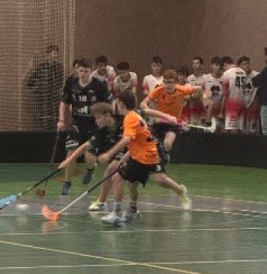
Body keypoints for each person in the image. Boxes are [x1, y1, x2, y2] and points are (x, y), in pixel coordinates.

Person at [97, 89, 191, 224]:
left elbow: (127, 139)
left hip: (149, 155)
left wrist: (108, 154)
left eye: (117, 102)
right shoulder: (132, 115)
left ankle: (117, 214)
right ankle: (133, 210)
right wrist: (127, 155)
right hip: (142, 154)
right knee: (131, 183)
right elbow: (139, 139)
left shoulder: (130, 118)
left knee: (124, 179)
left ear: (121, 103)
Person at [56, 103, 123, 215]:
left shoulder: (122, 121)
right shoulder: (102, 131)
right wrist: (68, 161)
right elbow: (85, 146)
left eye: (98, 118)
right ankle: (104, 203)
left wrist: (109, 154)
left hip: (140, 150)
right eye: (95, 118)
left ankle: (117, 211)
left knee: (115, 174)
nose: (96, 121)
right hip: (127, 153)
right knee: (113, 173)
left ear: (107, 115)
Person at [56, 59, 111, 194]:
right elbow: (64, 102)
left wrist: (106, 119)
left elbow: (110, 103)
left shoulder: (99, 86)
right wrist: (61, 120)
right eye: (81, 71)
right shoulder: (71, 84)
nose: (83, 74)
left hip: (94, 125)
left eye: (86, 71)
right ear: (77, 70)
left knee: (88, 156)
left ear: (91, 71)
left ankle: (91, 170)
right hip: (76, 124)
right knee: (71, 152)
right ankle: (67, 183)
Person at [140, 67, 199, 159]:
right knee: (148, 144)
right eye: (166, 82)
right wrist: (152, 114)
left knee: (167, 144)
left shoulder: (182, 90)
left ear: (175, 82)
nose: (168, 85)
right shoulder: (158, 90)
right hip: (159, 122)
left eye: (171, 82)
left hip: (173, 124)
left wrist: (201, 97)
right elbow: (143, 104)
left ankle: (165, 156)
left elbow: (198, 88)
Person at [24, 44, 63, 129]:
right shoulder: (41, 67)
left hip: (54, 97)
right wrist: (35, 89)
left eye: (56, 53)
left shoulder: (59, 66)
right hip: (43, 98)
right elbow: (30, 82)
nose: (55, 55)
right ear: (48, 54)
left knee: (54, 118)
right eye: (54, 53)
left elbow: (60, 83)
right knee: (43, 119)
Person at [220, 56, 248, 132]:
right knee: (239, 129)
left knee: (232, 129)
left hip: (232, 104)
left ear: (225, 65)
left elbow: (224, 93)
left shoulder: (227, 73)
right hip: (242, 104)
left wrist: (221, 111)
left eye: (223, 69)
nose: (223, 70)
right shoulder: (243, 72)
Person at [202, 56, 224, 128]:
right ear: (212, 65)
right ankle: (207, 124)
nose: (218, 67)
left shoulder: (224, 78)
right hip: (207, 103)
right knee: (211, 103)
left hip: (220, 105)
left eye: (220, 66)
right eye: (216, 65)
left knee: (218, 127)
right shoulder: (206, 77)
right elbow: (202, 91)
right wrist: (205, 98)